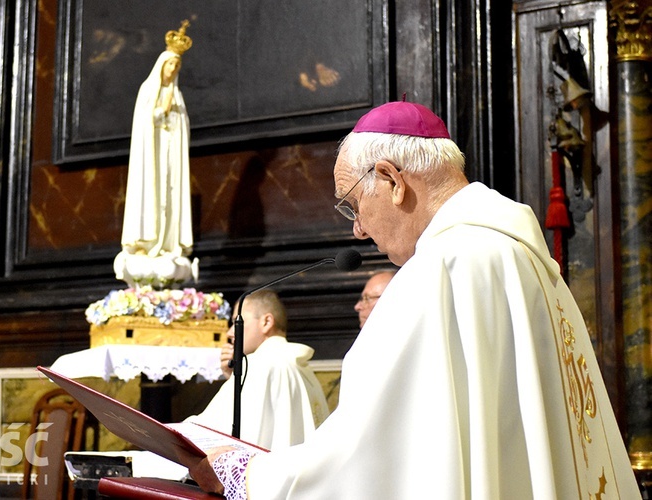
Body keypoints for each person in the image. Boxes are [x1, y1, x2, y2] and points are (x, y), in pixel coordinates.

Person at [188, 101, 641, 499]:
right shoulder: (525, 258)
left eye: (352, 204)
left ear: (390, 178)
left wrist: (245, 474)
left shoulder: (439, 270)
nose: (357, 230)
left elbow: (367, 455)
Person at [185, 289, 330, 451]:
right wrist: (233, 378)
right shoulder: (302, 367)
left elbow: (213, 431)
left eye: (237, 322)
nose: (230, 332)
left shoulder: (258, 364)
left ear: (266, 322)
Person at [114, 21, 195, 287]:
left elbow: (181, 129)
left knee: (169, 201)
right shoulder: (148, 92)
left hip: (170, 160)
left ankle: (168, 245)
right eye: (170, 65)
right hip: (152, 160)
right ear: (161, 66)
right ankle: (146, 244)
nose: (173, 70)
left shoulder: (178, 97)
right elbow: (144, 125)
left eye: (177, 66)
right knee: (152, 199)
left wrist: (172, 116)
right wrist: (160, 113)